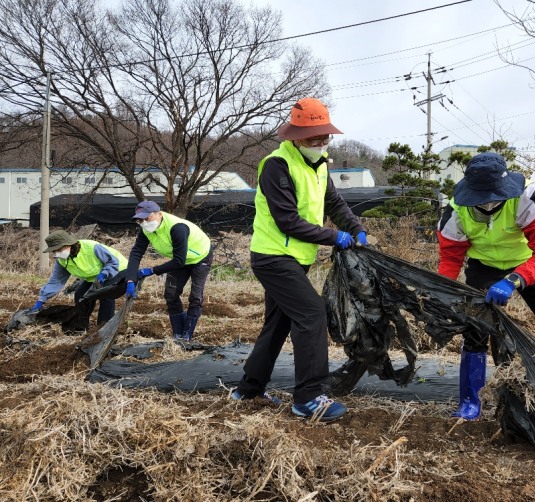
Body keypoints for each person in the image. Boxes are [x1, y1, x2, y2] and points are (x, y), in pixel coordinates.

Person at [232, 97, 367, 422]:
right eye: (313, 138)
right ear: (295, 137)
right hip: (273, 257)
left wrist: (356, 228)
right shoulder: (277, 166)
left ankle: (248, 389)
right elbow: (287, 221)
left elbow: (333, 202)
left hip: (296, 259)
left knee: (277, 324)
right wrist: (335, 237)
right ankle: (308, 398)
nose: (320, 143)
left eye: (325, 137)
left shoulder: (319, 164)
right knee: (311, 313)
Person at [437, 151, 535, 421]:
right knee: (475, 329)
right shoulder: (457, 208)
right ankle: (471, 401)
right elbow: (450, 256)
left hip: (531, 262)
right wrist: (444, 291)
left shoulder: (529, 198)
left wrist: (514, 279)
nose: (488, 202)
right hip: (484, 265)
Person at [125, 200, 212, 342]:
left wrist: (152, 270)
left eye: (148, 218)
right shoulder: (146, 230)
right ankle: (178, 334)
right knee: (171, 294)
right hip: (180, 259)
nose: (145, 223)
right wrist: (130, 279)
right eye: (140, 220)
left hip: (200, 257)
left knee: (195, 297)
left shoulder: (177, 228)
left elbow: (179, 261)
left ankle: (187, 335)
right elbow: (136, 253)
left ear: (159, 214)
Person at [32, 230, 128, 331]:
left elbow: (112, 262)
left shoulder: (91, 247)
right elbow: (56, 281)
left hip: (118, 269)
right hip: (95, 276)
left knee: (105, 294)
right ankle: (80, 326)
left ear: (68, 245)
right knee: (80, 295)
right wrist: (42, 299)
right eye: (54, 251)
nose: (56, 254)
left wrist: (104, 274)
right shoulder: (62, 260)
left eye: (58, 250)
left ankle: (104, 327)